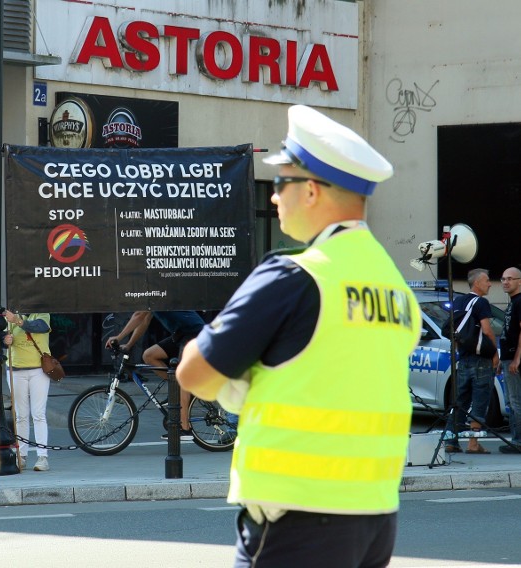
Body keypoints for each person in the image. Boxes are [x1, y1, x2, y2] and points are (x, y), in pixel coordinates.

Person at [176, 104, 421, 568]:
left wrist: (225, 373)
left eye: (280, 182)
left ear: (310, 190)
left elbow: (195, 373)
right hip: (374, 515)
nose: (273, 197)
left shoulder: (295, 274)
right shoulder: (395, 287)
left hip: (297, 518)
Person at [106, 310, 205, 440]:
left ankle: (184, 429)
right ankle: (178, 392)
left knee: (181, 377)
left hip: (195, 334)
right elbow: (145, 320)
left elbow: (139, 315)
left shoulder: (155, 293)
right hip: (181, 335)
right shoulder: (151, 299)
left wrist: (118, 337)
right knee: (149, 355)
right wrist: (129, 345)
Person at [444, 268, 498, 454]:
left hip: (464, 359)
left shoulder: (458, 301)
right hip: (481, 360)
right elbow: (487, 329)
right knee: (480, 401)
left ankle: (451, 441)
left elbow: (454, 331)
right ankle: (473, 444)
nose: (490, 283)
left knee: (459, 401)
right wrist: (494, 354)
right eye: (487, 280)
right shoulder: (481, 302)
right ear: (477, 283)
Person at [3, 309, 53, 471]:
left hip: (38, 369)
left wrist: (17, 320)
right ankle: (21, 456)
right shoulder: (9, 317)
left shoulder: (42, 314)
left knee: (38, 414)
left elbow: (40, 327)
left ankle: (42, 457)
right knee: (21, 416)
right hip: (16, 369)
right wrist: (5, 340)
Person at [498, 267, 521, 454]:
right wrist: (502, 358)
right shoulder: (513, 302)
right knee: (513, 400)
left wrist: (516, 358)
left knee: (516, 401)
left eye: (510, 279)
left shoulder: (520, 302)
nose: (506, 282)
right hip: (508, 358)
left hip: (515, 360)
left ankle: (519, 441)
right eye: (503, 279)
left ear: (520, 281)